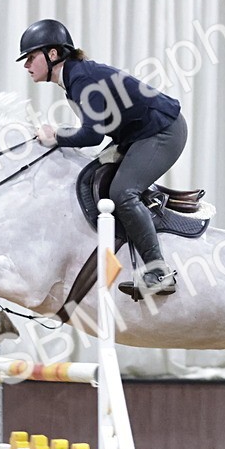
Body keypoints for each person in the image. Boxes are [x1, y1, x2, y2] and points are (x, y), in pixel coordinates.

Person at [19, 19, 186, 297]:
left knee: (122, 192)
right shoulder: (74, 78)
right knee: (87, 176)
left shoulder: (81, 79)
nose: (26, 65)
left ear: (52, 55)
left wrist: (56, 135)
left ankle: (159, 272)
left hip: (163, 131)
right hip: (136, 136)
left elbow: (92, 136)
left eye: (31, 57)